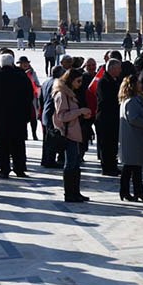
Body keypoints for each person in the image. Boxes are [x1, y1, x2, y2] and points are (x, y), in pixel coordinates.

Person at [0, 53, 33, 178]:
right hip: (18, 117)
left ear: (0, 63)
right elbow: (29, 96)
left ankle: (4, 169)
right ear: (12, 63)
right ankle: (19, 169)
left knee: (1, 144)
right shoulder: (21, 76)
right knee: (18, 144)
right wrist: (27, 115)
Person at [52, 69, 92, 202]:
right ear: (70, 80)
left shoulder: (69, 93)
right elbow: (62, 116)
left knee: (75, 164)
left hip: (74, 132)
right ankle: (69, 193)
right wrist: (79, 111)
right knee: (70, 164)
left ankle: (76, 192)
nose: (80, 84)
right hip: (67, 133)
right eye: (78, 81)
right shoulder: (61, 94)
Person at [118, 75, 143, 202]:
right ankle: (129, 192)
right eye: (138, 83)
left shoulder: (132, 99)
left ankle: (133, 192)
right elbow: (133, 118)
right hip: (133, 138)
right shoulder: (131, 101)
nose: (141, 85)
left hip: (133, 138)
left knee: (133, 168)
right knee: (132, 167)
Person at [96, 59, 123, 175]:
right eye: (118, 68)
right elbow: (107, 100)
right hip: (105, 118)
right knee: (106, 144)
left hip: (113, 117)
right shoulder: (103, 82)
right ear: (111, 68)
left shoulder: (115, 80)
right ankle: (107, 167)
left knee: (112, 144)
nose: (120, 71)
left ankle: (113, 165)